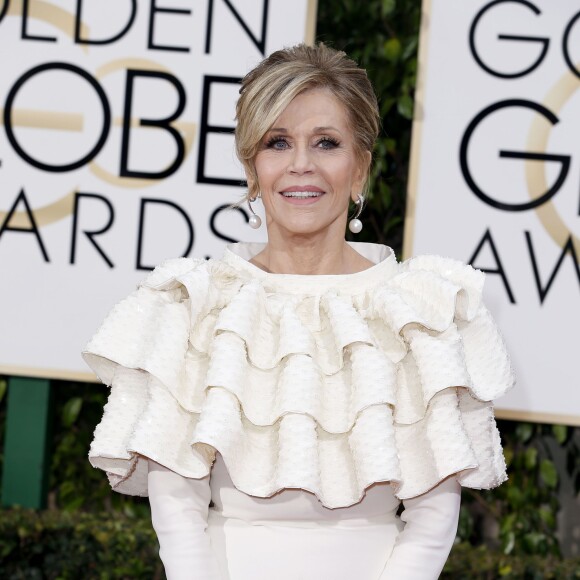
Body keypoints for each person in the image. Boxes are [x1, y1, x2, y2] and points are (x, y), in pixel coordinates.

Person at [83, 43, 515, 579]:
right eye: (277, 142)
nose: (300, 165)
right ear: (252, 165)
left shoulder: (418, 312)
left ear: (360, 167)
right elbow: (177, 511)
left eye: (326, 143)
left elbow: (432, 523)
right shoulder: (195, 306)